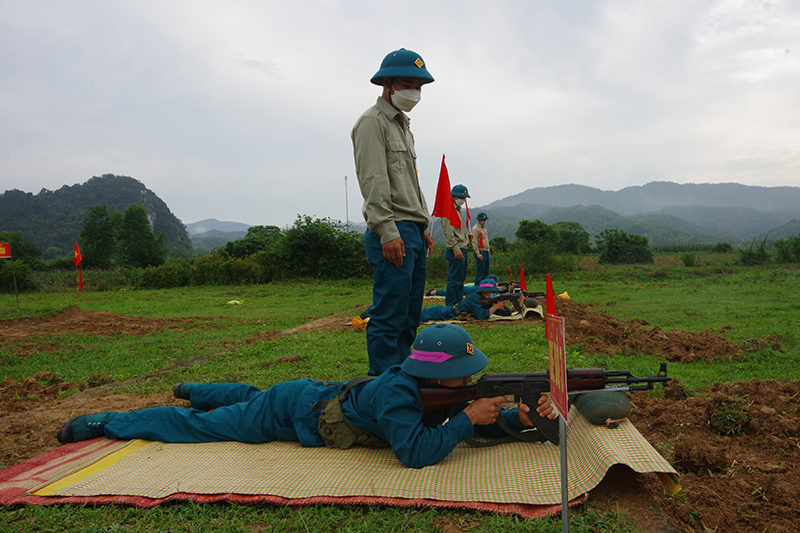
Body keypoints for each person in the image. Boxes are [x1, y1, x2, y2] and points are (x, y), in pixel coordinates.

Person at [56, 324, 556, 470]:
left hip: (309, 394)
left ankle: (196, 389)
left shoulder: (427, 389)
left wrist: (523, 419)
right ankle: (108, 423)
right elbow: (416, 453)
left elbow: (462, 420)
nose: (468, 385)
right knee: (208, 424)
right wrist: (469, 418)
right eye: (463, 377)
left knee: (248, 396)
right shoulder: (401, 396)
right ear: (437, 374)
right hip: (291, 413)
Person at [351, 48, 436, 376]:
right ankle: (383, 388)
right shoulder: (372, 124)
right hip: (392, 231)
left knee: (410, 315)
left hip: (411, 230)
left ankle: (403, 380)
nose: (415, 91)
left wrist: (422, 224)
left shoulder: (404, 127)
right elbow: (373, 181)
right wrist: (388, 231)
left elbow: (408, 183)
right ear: (386, 84)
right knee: (388, 317)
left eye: (420, 85)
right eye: (407, 83)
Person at [420, 278, 509, 322]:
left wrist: (515, 306)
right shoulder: (474, 298)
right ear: (485, 291)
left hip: (442, 312)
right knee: (414, 316)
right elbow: (482, 316)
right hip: (439, 313)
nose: (494, 293)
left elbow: (501, 313)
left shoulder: (484, 299)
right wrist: (496, 306)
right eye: (493, 291)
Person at [442, 184, 470, 306]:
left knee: (460, 280)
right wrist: (455, 248)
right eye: (461, 197)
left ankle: (458, 303)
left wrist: (466, 237)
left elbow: (456, 230)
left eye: (464, 198)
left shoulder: (457, 211)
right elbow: (448, 233)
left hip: (462, 248)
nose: (463, 201)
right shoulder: (448, 211)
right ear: (453, 197)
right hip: (456, 250)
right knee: (454, 280)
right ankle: (451, 305)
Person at [471, 212, 491, 285]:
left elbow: (486, 241)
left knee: (486, 271)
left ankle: (485, 286)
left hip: (486, 251)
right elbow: (474, 241)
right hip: (480, 251)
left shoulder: (484, 229)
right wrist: (477, 253)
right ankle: (478, 286)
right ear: (479, 220)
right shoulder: (475, 229)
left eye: (485, 220)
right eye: (483, 220)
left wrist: (488, 252)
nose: (484, 221)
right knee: (480, 271)